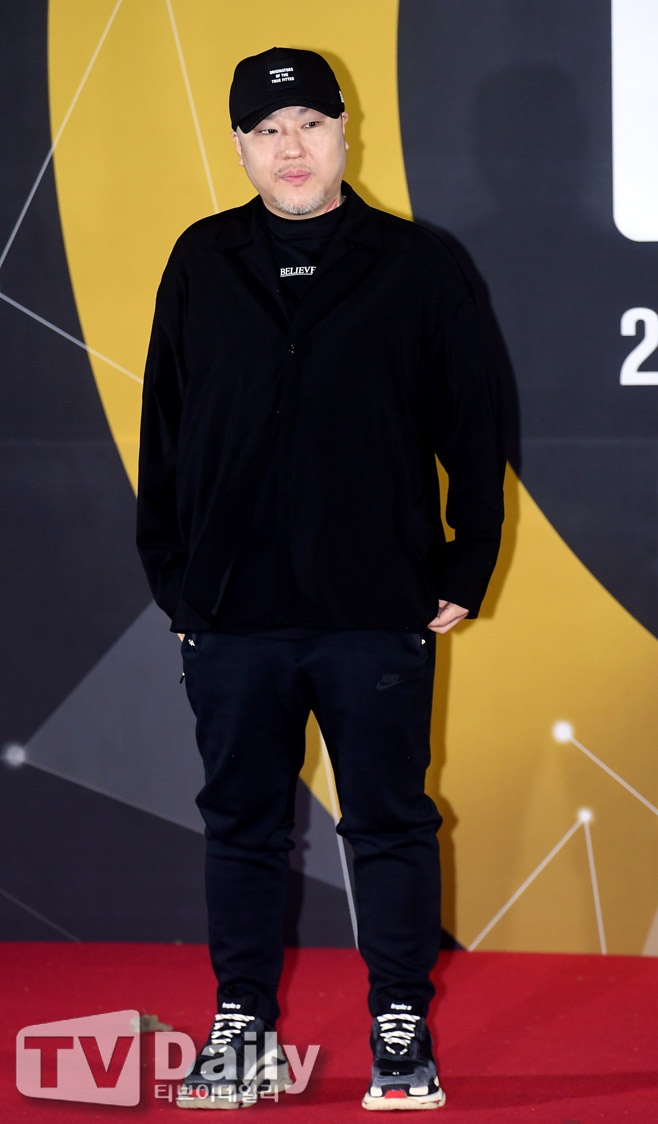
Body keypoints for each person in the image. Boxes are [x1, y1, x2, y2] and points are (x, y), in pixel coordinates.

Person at [137, 46, 505, 1111]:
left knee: (389, 823)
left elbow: (474, 427)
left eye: (307, 122)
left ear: (345, 131)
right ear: (240, 147)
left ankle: (400, 1026)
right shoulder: (201, 260)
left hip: (374, 609)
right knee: (241, 826)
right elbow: (166, 428)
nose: (289, 146)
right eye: (267, 130)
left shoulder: (420, 265)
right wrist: (175, 579)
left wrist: (466, 560)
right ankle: (241, 1024)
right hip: (230, 613)